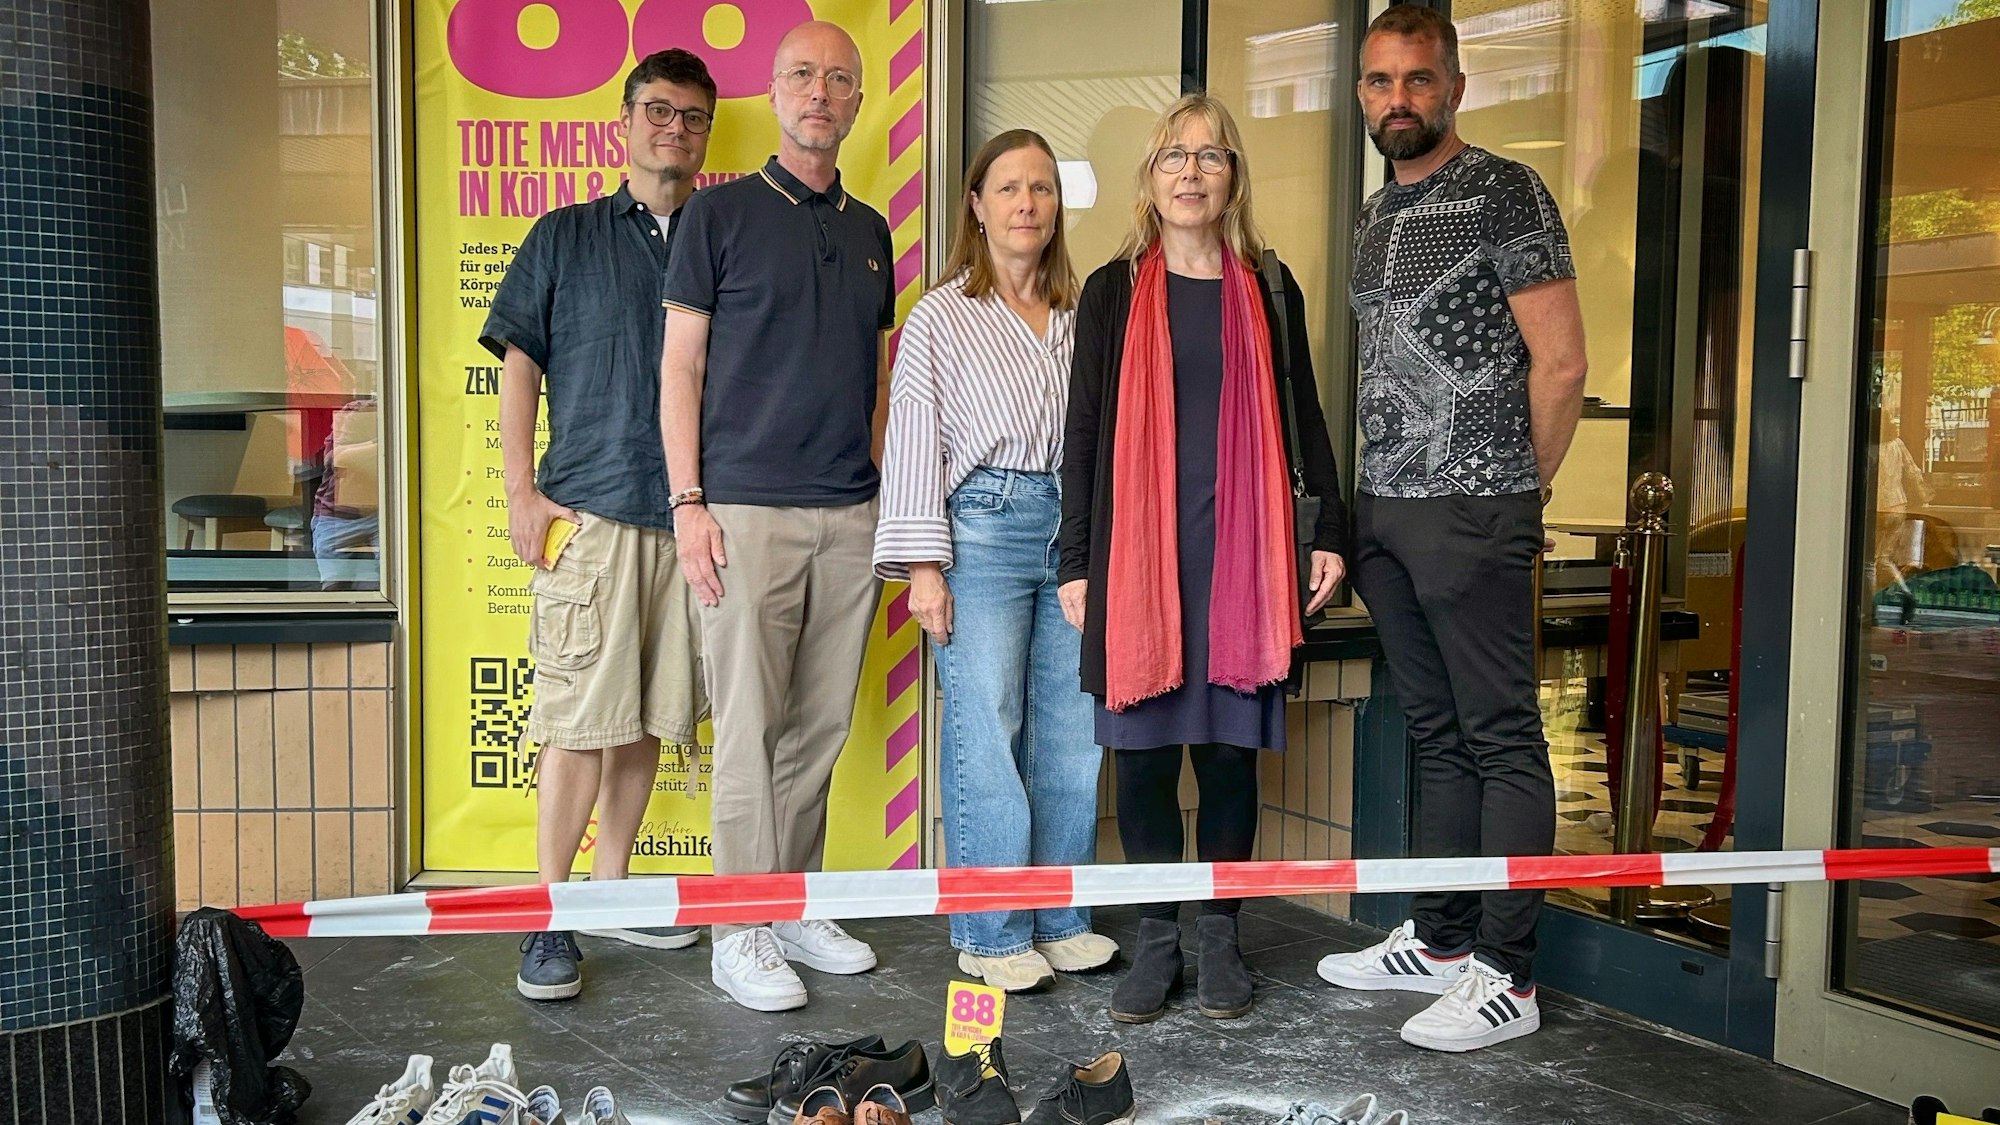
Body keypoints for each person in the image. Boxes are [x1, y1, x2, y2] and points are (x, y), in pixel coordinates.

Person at [1314, 5, 1588, 1053]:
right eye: (1380, 81)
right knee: (1434, 734)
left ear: (1455, 88)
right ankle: (1439, 942)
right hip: (1385, 510)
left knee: (1501, 735)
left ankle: (1508, 976)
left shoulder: (1505, 191)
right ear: (1362, 93)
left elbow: (1560, 361)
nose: (1399, 99)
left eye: (1418, 79)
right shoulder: (1375, 213)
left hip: (1473, 506)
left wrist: (1517, 489)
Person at [1059, 94, 1348, 1024]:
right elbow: (1084, 431)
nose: (1191, 172)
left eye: (1211, 155)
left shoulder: (1269, 286)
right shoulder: (1112, 290)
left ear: (1234, 179)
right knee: (1143, 763)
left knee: (1229, 760)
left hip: (1242, 559)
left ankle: (1220, 935)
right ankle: (1157, 939)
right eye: (1173, 157)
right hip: (1140, 561)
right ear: (1149, 178)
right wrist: (1076, 559)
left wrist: (1330, 531)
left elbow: (1305, 416)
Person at [660, 20, 895, 1013]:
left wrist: (879, 495)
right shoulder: (717, 217)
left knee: (819, 726)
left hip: (847, 513)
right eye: (802, 75)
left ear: (857, 101)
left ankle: (791, 904)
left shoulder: (871, 231)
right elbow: (680, 368)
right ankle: (739, 928)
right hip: (743, 512)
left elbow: (876, 380)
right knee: (749, 728)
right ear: (775, 91)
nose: (820, 93)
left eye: (839, 79)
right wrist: (689, 503)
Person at [480, 48, 719, 1001]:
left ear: (706, 136)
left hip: (688, 516)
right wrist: (519, 491)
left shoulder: (720, 236)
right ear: (625, 122)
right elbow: (519, 363)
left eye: (692, 117)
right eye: (658, 110)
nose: (674, 129)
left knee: (649, 716)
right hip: (593, 511)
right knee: (579, 722)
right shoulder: (565, 234)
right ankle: (550, 915)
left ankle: (612, 890)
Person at [875, 129, 1119, 994]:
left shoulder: (1083, 313)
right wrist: (923, 567)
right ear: (976, 205)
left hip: (1073, 529)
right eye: (1009, 188)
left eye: (1042, 188)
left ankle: (1060, 917)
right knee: (987, 724)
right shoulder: (941, 316)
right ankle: (991, 929)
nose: (1027, 204)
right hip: (980, 525)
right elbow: (912, 439)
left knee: (1071, 733)